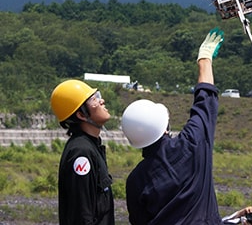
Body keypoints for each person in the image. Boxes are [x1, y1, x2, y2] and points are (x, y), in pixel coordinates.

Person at [122, 27, 225, 224]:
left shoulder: (135, 180)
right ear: (165, 127)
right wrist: (204, 59)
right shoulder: (191, 145)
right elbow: (205, 101)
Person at [50, 79, 115, 225]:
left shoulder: (91, 146)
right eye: (94, 99)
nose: (101, 101)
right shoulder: (81, 152)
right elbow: (82, 215)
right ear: (81, 114)